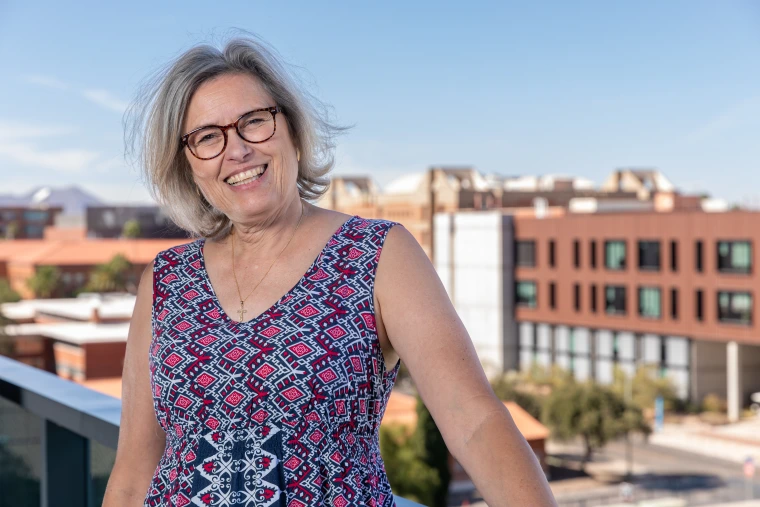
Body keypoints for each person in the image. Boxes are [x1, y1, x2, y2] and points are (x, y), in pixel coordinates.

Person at [102, 36, 557, 507]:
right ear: (188, 166)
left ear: (292, 132)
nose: (235, 150)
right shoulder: (165, 281)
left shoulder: (378, 253)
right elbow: (135, 471)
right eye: (207, 137)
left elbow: (474, 419)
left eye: (254, 122)